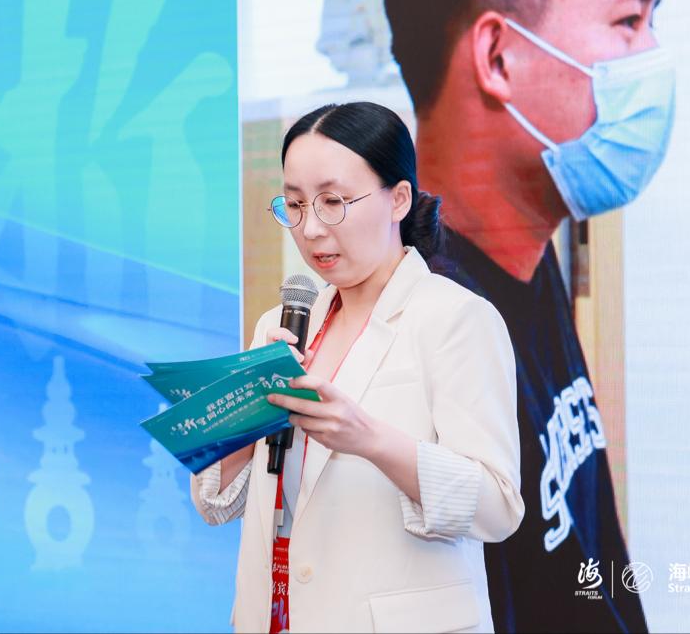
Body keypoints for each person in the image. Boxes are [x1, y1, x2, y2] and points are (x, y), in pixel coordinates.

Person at [384, 0, 674, 632]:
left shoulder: (524, 252)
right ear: (499, 57)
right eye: (628, 21)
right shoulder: (420, 329)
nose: (653, 55)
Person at [190, 101, 525, 633]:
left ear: (398, 199)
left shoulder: (456, 318)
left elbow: (498, 506)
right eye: (295, 205)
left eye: (333, 202)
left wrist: (368, 438)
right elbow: (213, 501)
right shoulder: (279, 326)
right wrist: (246, 405)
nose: (310, 229)